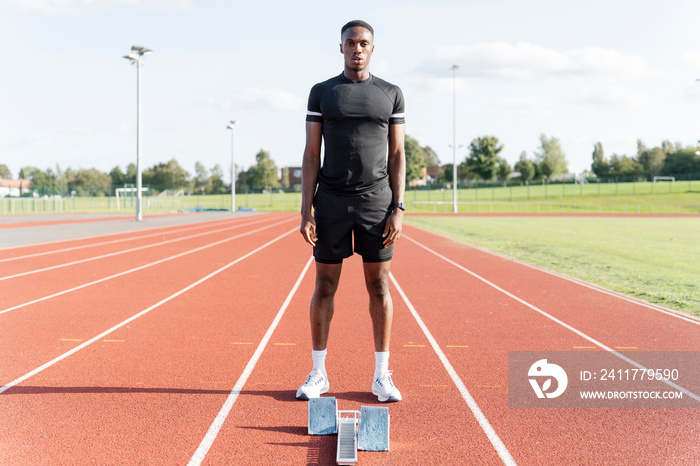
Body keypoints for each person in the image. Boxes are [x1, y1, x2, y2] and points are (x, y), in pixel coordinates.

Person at [297, 20, 406, 403]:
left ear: (372, 49)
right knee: (325, 286)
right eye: (350, 43)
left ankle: (381, 375)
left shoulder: (390, 94)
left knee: (378, 286)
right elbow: (311, 155)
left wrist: (398, 206)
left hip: (376, 203)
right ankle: (318, 373)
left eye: (363, 43)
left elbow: (397, 154)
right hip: (330, 202)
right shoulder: (322, 93)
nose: (357, 49)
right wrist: (306, 209)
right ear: (340, 47)